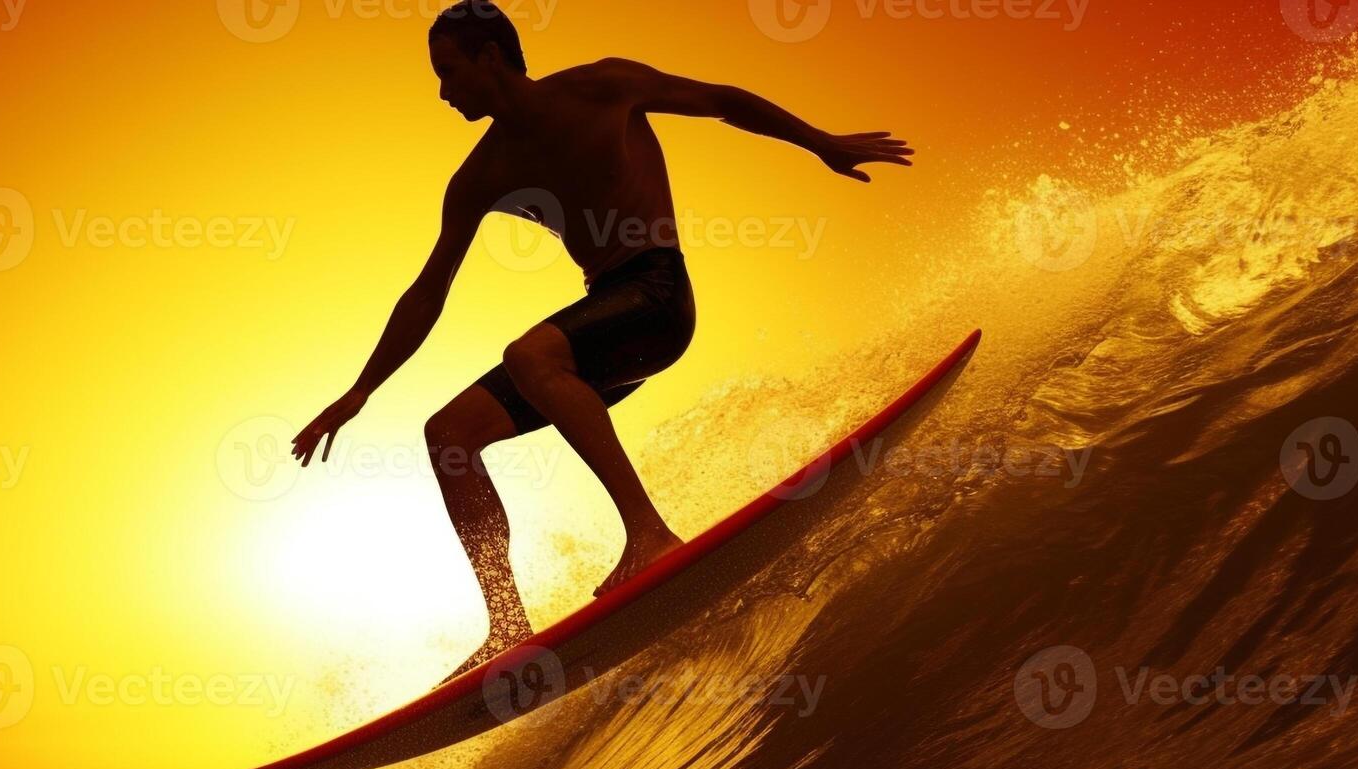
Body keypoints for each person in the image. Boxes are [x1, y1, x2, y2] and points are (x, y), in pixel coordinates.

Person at [290, 0, 913, 670]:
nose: (441, 92)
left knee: (529, 355)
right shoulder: (478, 177)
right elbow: (427, 291)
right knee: (448, 435)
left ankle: (648, 534)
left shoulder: (602, 85)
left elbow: (722, 101)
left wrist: (821, 142)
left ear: (489, 57)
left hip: (656, 296)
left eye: (448, 71)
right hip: (603, 326)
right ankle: (507, 627)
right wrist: (359, 392)